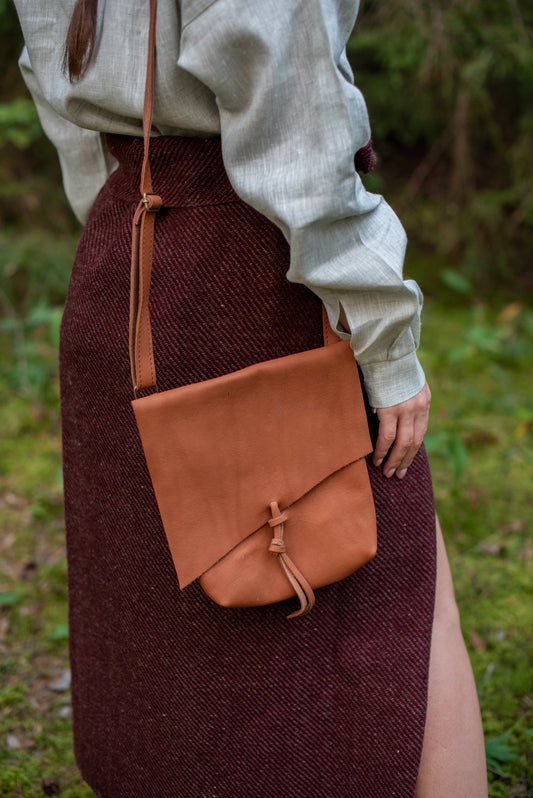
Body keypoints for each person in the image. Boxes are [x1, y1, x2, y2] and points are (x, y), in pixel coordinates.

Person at [14, 1, 488, 796]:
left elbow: (62, 99)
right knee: (401, 597)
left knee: (172, 646)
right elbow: (293, 125)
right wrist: (382, 329)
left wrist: (131, 247)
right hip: (252, 274)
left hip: (124, 266)